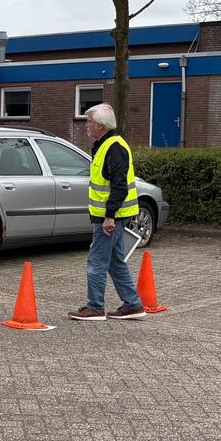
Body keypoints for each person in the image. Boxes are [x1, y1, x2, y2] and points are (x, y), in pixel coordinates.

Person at [68, 104, 146, 321]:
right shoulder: (104, 145)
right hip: (111, 215)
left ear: (100, 125)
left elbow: (119, 186)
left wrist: (109, 216)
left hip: (111, 217)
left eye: (89, 121)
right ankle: (133, 304)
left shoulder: (113, 147)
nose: (86, 125)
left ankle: (95, 307)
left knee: (97, 261)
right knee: (114, 261)